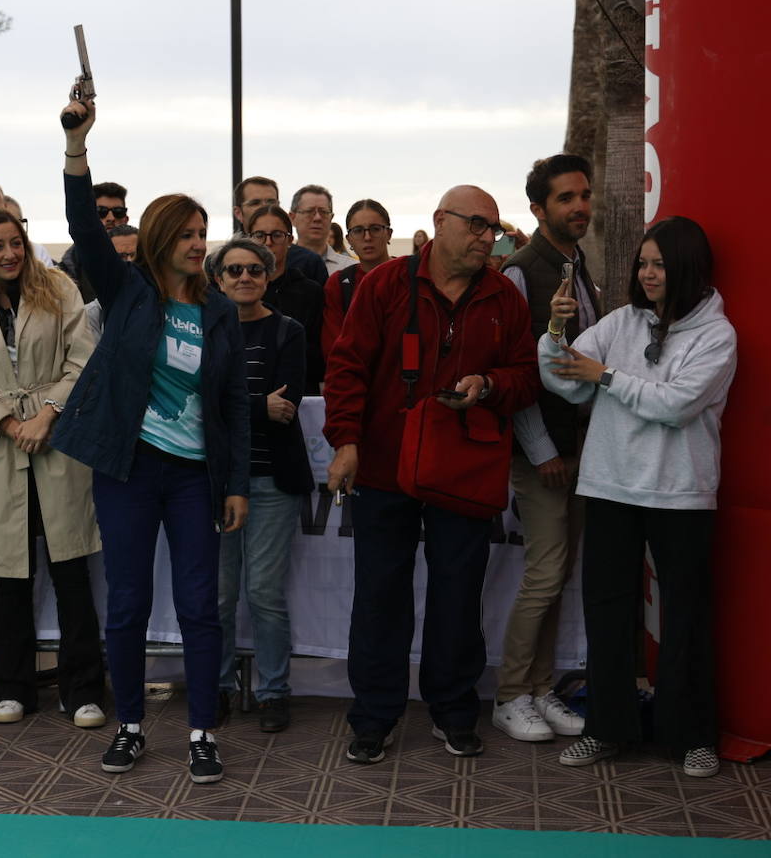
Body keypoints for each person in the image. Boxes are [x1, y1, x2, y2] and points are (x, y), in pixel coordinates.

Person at [51, 93, 249, 784]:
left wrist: (236, 485)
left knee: (200, 605)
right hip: (129, 472)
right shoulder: (128, 292)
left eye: (206, 231)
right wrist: (78, 146)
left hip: (197, 479)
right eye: (190, 232)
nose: (202, 242)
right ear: (164, 238)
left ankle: (201, 731)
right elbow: (82, 223)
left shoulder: (220, 312)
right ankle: (130, 725)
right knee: (128, 603)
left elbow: (233, 405)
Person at [323, 185, 540, 763]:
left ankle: (453, 711)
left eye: (492, 229)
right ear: (440, 221)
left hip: (462, 469)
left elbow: (526, 374)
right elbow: (346, 367)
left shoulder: (503, 297)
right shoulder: (385, 284)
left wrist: (490, 385)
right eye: (475, 225)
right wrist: (345, 441)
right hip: (385, 466)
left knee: (458, 594)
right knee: (379, 596)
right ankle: (374, 717)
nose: (485, 237)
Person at [541, 215, 736, 778]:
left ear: (688, 269)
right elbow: (564, 376)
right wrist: (555, 333)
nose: (648, 274)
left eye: (659, 264)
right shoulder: (621, 321)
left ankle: (692, 737)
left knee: (687, 617)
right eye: (643, 264)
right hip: (609, 484)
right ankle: (607, 729)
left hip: (681, 492)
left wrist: (605, 377)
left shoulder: (718, 335)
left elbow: (674, 404)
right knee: (606, 612)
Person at [0, 207, 107, 729]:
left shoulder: (59, 289)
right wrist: (10, 424)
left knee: (71, 572)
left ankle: (83, 690)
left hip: (59, 444)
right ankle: (11, 687)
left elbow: (85, 358)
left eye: (16, 242)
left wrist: (48, 414)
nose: (10, 254)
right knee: (9, 576)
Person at [491, 155, 600, 744]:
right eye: (566, 198)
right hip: (547, 454)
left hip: (582, 446)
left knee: (557, 575)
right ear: (538, 209)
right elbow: (514, 372)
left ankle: (537, 688)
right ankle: (510, 694)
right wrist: (540, 453)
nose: (580, 205)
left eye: (584, 194)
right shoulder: (519, 270)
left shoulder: (577, 263)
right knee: (544, 573)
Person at [210, 238, 312, 733]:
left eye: (254, 269)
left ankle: (273, 693)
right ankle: (220, 688)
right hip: (217, 481)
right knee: (220, 596)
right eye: (233, 270)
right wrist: (254, 405)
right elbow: (201, 406)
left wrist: (236, 408)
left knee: (264, 592)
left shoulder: (289, 331)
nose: (244, 277)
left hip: (273, 479)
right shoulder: (206, 333)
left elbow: (286, 407)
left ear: (269, 276)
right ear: (218, 279)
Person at [246, 205, 324, 396]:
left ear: (289, 239)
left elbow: (319, 355)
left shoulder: (310, 292)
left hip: (298, 396)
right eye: (260, 235)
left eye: (277, 235)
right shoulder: (236, 292)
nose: (268, 242)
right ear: (250, 240)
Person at [322, 199, 394, 360]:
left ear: (388, 233)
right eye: (358, 230)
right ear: (349, 239)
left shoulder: (408, 276)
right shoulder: (338, 285)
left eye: (375, 229)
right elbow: (334, 348)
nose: (367, 237)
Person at [59, 181, 129, 303]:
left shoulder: (146, 259)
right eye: (101, 211)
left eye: (118, 212)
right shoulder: (69, 268)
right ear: (90, 216)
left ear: (126, 218)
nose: (111, 218)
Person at [83, 224, 138, 338]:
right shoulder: (91, 315)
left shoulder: (164, 305)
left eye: (135, 255)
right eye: (121, 256)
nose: (129, 262)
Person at [290, 185, 354, 278]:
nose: (317, 218)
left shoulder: (351, 269)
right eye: (309, 211)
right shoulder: (278, 266)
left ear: (331, 218)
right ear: (292, 218)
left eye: (323, 212)